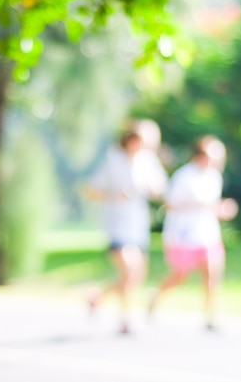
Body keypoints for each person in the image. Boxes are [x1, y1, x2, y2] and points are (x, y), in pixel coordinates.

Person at [83, 127, 167, 335]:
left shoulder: (148, 161)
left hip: (138, 226)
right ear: (127, 141)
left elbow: (161, 189)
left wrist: (152, 186)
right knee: (129, 270)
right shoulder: (113, 161)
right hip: (117, 225)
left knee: (135, 276)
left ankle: (98, 296)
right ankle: (125, 319)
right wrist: (113, 195)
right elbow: (91, 190)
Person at [148, 135, 237, 331]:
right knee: (180, 276)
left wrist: (219, 210)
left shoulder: (214, 177)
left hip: (207, 234)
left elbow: (210, 207)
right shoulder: (184, 176)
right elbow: (170, 205)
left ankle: (210, 316)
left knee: (212, 274)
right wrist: (198, 205)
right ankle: (156, 296)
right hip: (183, 236)